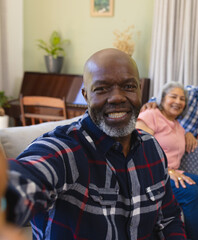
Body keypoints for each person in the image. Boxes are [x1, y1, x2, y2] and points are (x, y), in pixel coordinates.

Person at [5, 48, 186, 239]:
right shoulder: (66, 148)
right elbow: (23, 180)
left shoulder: (152, 148)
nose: (117, 97)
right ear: (85, 95)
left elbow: (170, 218)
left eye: (129, 86)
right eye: (101, 88)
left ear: (140, 90)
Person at [136, 82, 198, 240]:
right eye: (173, 96)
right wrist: (167, 171)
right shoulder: (151, 115)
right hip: (151, 173)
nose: (178, 101)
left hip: (172, 172)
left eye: (182, 99)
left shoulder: (178, 124)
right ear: (162, 99)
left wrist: (188, 134)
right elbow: (140, 149)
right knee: (191, 193)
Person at [141, 72, 198, 178]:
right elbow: (162, 100)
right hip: (174, 135)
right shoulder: (188, 93)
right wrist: (151, 104)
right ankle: (192, 181)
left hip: (191, 140)